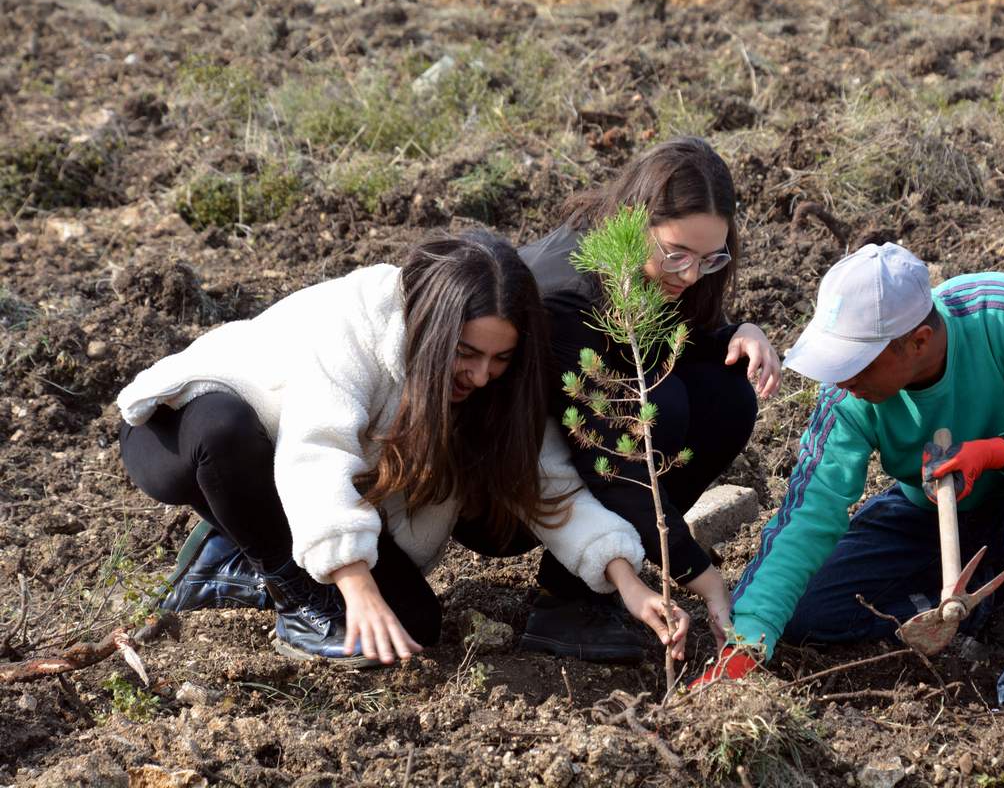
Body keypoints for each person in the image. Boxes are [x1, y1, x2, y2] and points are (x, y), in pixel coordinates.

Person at [117, 233, 688, 666]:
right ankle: (290, 591)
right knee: (226, 433)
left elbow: (549, 484)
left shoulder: (495, 389)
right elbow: (317, 450)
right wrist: (353, 587)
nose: (483, 375)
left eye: (500, 359)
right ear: (434, 328)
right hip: (190, 433)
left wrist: (628, 582)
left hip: (294, 483)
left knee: (413, 621)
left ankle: (232, 559)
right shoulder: (356, 322)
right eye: (466, 353)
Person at [695, 242, 1004, 706]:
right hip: (941, 508)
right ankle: (984, 598)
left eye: (855, 363)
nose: (842, 379)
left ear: (918, 342)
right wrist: (747, 641)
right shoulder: (848, 396)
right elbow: (808, 514)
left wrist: (996, 452)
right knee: (805, 610)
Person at [516, 137, 782, 663]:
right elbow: (612, 465)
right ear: (635, 222)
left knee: (727, 394)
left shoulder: (676, 267)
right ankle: (567, 599)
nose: (689, 275)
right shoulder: (571, 296)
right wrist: (704, 579)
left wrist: (739, 330)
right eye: (676, 254)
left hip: (598, 436)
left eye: (709, 259)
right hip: (518, 473)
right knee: (661, 406)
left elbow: (672, 338)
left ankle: (594, 582)